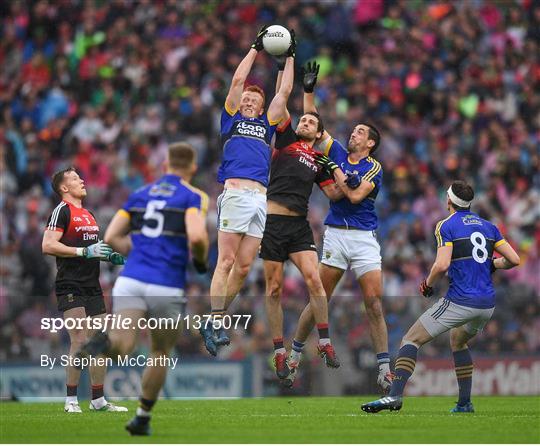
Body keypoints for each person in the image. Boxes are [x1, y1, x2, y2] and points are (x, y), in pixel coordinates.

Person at [77, 142, 209, 435]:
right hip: (166, 284)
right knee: (160, 351)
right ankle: (141, 417)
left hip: (131, 279)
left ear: (164, 166)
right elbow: (198, 237)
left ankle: (103, 342)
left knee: (122, 345)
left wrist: (136, 252)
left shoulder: (139, 194)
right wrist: (200, 263)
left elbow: (111, 236)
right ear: (192, 169)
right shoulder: (192, 196)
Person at [361, 180, 520, 413]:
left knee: (410, 339)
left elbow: (442, 264)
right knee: (458, 340)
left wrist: (427, 284)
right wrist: (492, 264)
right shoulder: (489, 226)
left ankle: (394, 396)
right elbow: (514, 259)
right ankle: (465, 403)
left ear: (449, 200)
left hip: (461, 300)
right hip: (487, 304)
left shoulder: (445, 226)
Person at [285, 62, 392, 392]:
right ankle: (293, 356)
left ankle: (384, 369)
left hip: (363, 239)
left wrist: (337, 174)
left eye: (360, 132)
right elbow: (313, 123)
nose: (354, 133)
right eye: (355, 130)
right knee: (319, 297)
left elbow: (357, 196)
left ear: (370, 143)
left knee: (373, 303)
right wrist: (308, 90)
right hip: (336, 235)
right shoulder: (339, 152)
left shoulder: (373, 168)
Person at [200, 26, 295, 353]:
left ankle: (214, 319)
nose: (250, 99)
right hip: (236, 193)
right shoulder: (231, 119)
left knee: (243, 267)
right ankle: (215, 319)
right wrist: (255, 48)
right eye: (247, 98)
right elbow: (238, 81)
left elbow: (283, 94)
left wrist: (290, 56)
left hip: (260, 199)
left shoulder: (266, 123)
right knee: (225, 262)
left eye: (256, 98)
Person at [262, 60, 346, 382]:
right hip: (272, 221)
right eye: (305, 118)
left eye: (312, 121)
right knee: (273, 289)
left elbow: (335, 195)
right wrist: (286, 62)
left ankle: (324, 342)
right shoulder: (284, 141)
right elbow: (280, 100)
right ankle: (279, 352)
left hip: (298, 225)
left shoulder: (321, 159)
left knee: (315, 281)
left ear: (318, 131)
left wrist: (344, 175)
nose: (307, 121)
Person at [42, 167, 127, 413]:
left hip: (92, 284)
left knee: (99, 341)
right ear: (64, 188)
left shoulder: (88, 214)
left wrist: (108, 255)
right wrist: (83, 252)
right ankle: (70, 400)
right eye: (75, 178)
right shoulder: (62, 211)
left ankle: (98, 400)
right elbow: (48, 245)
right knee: (79, 340)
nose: (82, 180)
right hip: (70, 283)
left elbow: (89, 248)